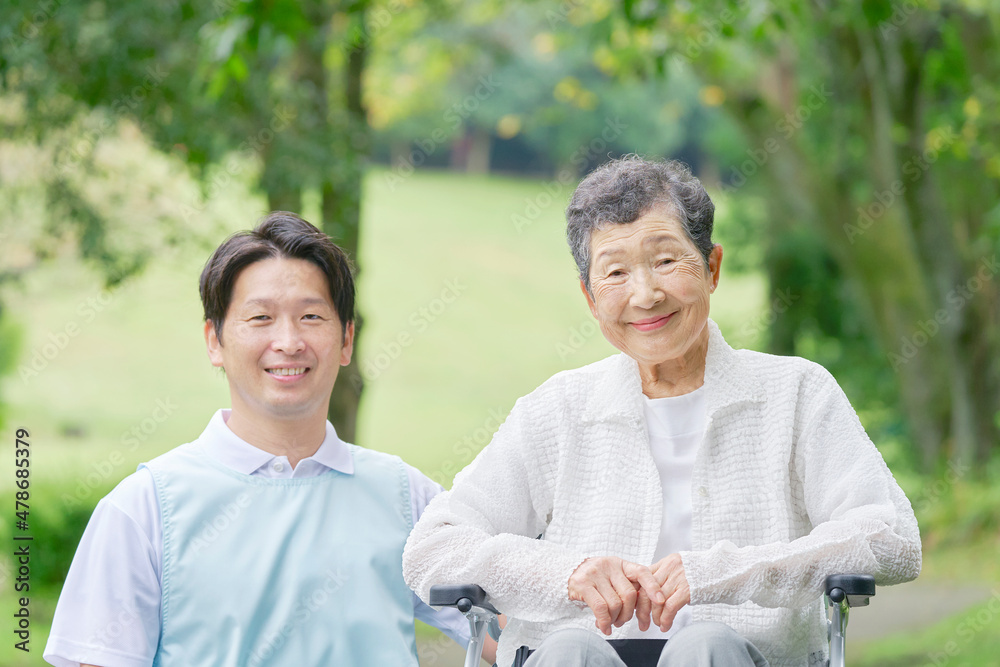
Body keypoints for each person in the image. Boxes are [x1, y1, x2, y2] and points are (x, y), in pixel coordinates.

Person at [403, 156, 921, 667]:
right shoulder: (555, 411)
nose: (645, 295)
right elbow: (431, 548)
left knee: (706, 646)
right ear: (589, 296)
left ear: (712, 267)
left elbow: (891, 538)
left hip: (742, 657)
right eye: (616, 272)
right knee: (570, 650)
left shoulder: (797, 394)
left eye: (667, 261)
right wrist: (568, 573)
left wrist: (725, 574)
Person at [44, 212, 488, 666]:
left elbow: (509, 635)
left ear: (347, 339)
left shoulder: (406, 496)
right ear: (213, 341)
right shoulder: (144, 509)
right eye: (260, 318)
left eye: (311, 316)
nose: (288, 341)